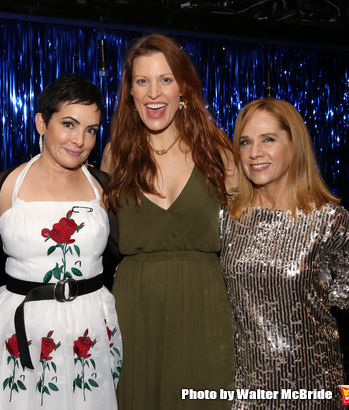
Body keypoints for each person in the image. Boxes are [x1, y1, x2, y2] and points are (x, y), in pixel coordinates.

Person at [0, 74, 122, 409]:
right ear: (41, 122)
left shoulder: (104, 187)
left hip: (89, 325)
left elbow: (133, 252)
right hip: (21, 326)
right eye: (69, 124)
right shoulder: (6, 185)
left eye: (91, 129)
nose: (79, 140)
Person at [101, 33, 237, 409]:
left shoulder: (217, 150)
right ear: (130, 92)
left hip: (203, 308)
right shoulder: (116, 155)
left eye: (165, 79)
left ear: (184, 88)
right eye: (142, 81)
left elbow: (263, 213)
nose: (153, 93)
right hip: (135, 308)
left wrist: (330, 223)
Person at [219, 98, 349, 409]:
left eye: (269, 140)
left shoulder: (329, 220)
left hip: (311, 382)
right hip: (245, 385)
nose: (254, 153)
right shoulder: (227, 217)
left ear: (295, 145)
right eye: (245, 142)